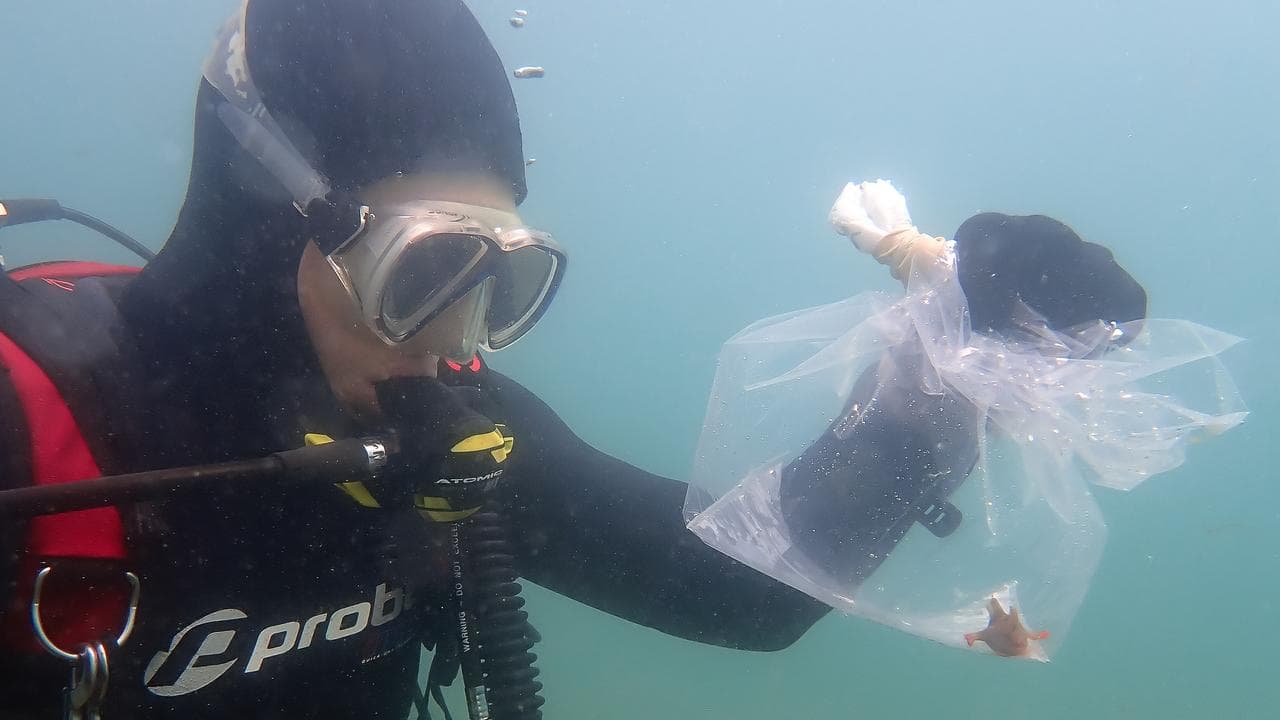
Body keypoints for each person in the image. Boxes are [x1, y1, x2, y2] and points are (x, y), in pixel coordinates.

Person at [0, 1, 1158, 718]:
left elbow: (736, 592)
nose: (455, 347)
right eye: (425, 272)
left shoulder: (441, 433)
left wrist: (935, 383)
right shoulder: (25, 428)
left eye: (501, 284)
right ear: (265, 226)